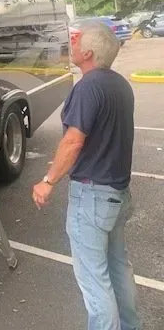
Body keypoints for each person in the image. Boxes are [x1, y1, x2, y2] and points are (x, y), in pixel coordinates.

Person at [32, 22, 140, 330]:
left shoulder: (88, 87)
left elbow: (73, 141)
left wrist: (47, 181)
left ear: (89, 53)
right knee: (118, 268)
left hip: (92, 197)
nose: (73, 45)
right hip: (117, 195)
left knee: (95, 281)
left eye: (77, 42)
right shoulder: (120, 85)